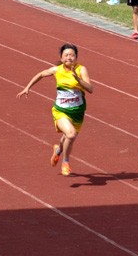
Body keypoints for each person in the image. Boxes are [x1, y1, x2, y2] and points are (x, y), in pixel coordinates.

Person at [16, 43, 94, 176]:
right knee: (71, 134)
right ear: (62, 58)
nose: (69, 57)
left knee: (67, 138)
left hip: (78, 112)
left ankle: (57, 151)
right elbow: (41, 74)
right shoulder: (57, 70)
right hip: (60, 111)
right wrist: (27, 87)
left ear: (76, 57)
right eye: (66, 55)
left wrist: (78, 79)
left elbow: (90, 89)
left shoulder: (81, 70)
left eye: (72, 55)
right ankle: (65, 162)